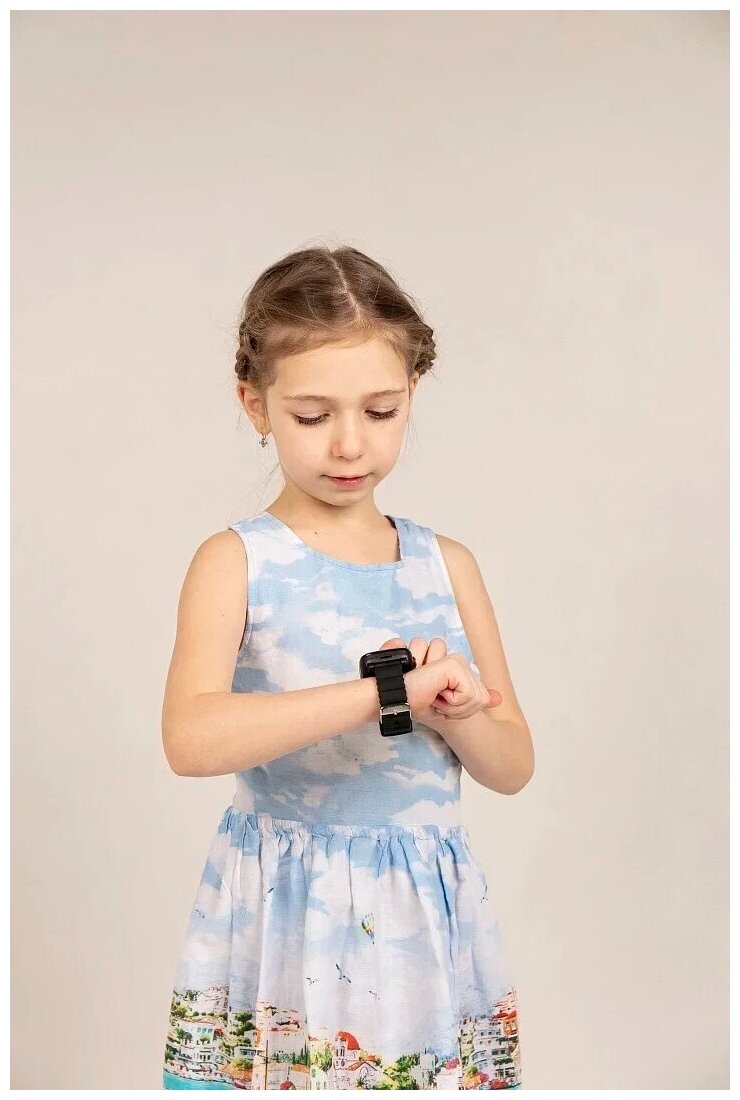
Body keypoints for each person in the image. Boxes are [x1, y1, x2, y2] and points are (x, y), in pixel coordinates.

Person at [160, 244, 534, 1091]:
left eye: (380, 410)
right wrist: (380, 693)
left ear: (412, 395)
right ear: (254, 403)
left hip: (419, 916)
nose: (349, 443)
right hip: (287, 912)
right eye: (311, 414)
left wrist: (459, 713)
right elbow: (190, 738)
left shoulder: (448, 566)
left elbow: (513, 766)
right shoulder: (237, 561)